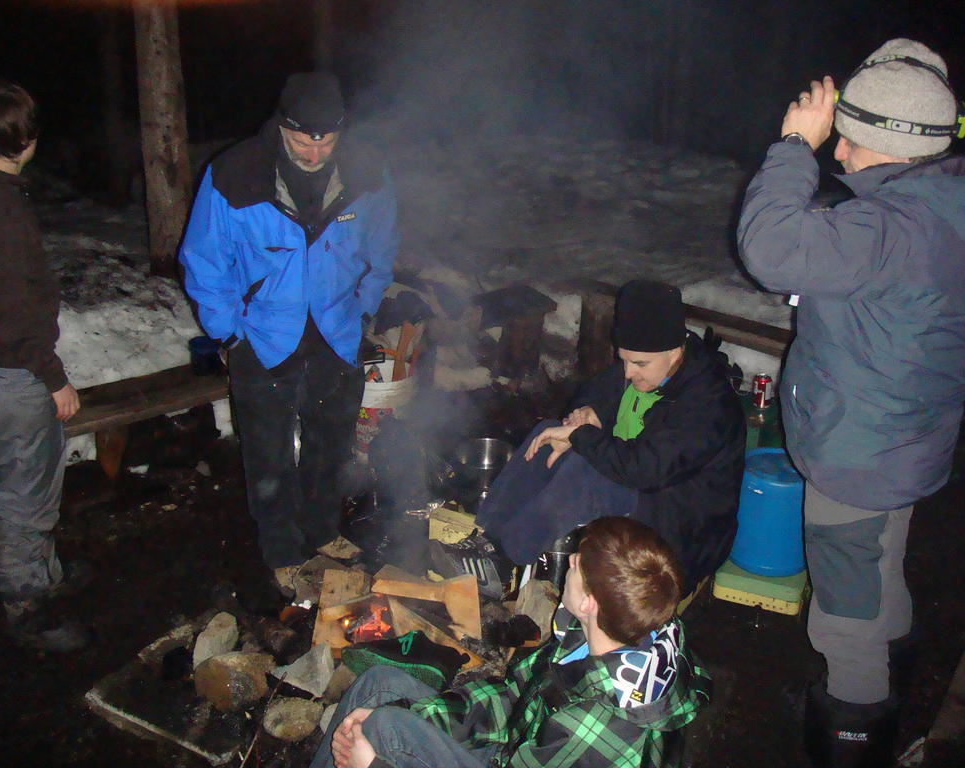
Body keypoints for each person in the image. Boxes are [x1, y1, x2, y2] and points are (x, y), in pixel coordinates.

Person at [737, 39, 965, 767]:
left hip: (858, 455)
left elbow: (769, 247)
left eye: (848, 137)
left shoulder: (888, 231)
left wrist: (791, 148)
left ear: (891, 143)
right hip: (907, 441)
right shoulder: (945, 203)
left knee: (843, 616)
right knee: (877, 566)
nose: (836, 149)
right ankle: (894, 669)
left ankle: (854, 725)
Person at [179, 72, 398, 590]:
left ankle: (322, 530)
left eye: (327, 140)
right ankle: (280, 549)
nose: (315, 153)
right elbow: (204, 260)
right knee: (269, 454)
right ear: (282, 125)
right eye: (303, 140)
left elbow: (382, 248)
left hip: (337, 332)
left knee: (331, 444)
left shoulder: (368, 174)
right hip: (263, 336)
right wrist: (228, 334)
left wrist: (363, 311)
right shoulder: (234, 175)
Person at [314, 516, 711, 768]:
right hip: (519, 750)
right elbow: (512, 698)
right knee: (381, 686)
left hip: (522, 758)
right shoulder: (608, 632)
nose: (572, 560)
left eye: (579, 564)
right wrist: (416, 713)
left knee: (384, 728)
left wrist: (376, 764)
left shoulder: (599, 722)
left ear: (590, 602)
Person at [436, 279, 745, 599]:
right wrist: (589, 412)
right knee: (548, 434)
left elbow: (643, 470)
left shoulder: (707, 403)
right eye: (624, 360)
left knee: (590, 474)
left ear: (675, 351)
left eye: (639, 364)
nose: (628, 372)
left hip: (681, 535)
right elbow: (603, 386)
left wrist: (581, 436)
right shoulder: (652, 366)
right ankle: (487, 541)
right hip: (641, 491)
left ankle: (503, 560)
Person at [0, 82, 89, 652]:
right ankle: (24, 602)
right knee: (24, 496)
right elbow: (11, 313)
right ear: (26, 138)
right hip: (14, 376)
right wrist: (52, 377)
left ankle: (44, 573)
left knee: (37, 478)